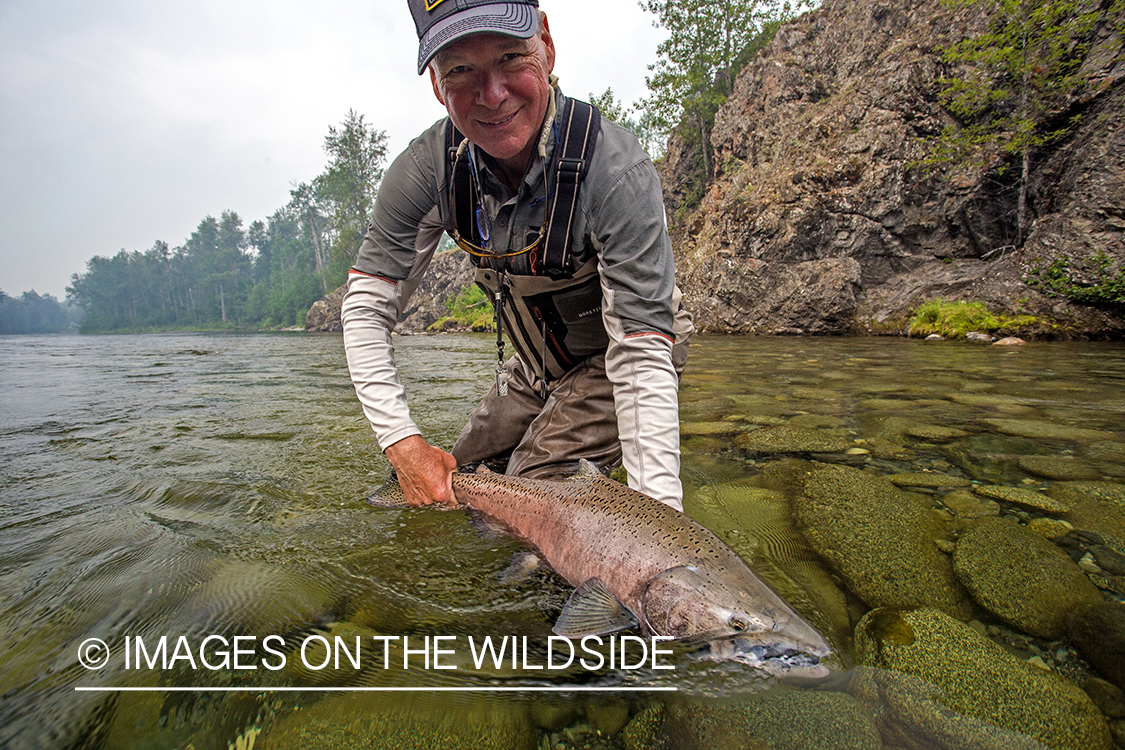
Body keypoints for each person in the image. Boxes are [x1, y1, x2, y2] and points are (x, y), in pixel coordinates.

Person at [341, 0, 692, 511]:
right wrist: (402, 442)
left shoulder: (615, 170)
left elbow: (639, 356)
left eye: (510, 57)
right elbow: (365, 308)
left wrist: (659, 529)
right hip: (535, 368)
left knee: (531, 487)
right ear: (437, 86)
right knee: (448, 485)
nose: (493, 94)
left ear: (545, 45)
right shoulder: (424, 173)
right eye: (461, 69)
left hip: (621, 357)